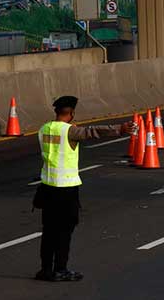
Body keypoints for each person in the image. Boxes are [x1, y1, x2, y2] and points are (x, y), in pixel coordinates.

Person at [33, 96, 135, 282]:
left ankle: (45, 270)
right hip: (66, 188)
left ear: (56, 112)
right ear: (71, 113)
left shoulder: (44, 129)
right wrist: (119, 129)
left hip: (47, 187)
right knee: (64, 231)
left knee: (48, 231)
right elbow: (91, 132)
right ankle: (60, 269)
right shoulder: (69, 131)